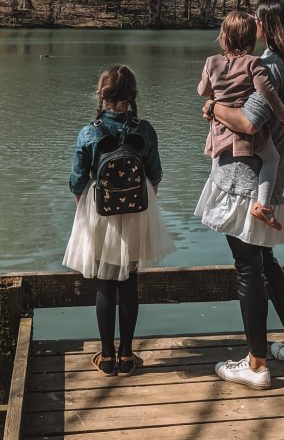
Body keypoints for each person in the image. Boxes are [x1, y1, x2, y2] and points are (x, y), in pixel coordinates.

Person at [194, 0, 284, 389]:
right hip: (266, 184)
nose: (251, 22)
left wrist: (213, 108)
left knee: (248, 269)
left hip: (243, 185)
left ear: (266, 26)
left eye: (256, 18)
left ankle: (256, 364)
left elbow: (248, 122)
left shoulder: (267, 67)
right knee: (266, 266)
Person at [63, 64, 175, 377]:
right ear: (133, 95)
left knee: (105, 281)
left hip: (101, 210)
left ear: (101, 94)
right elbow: (155, 175)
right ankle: (127, 355)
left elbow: (76, 181)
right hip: (138, 209)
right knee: (130, 281)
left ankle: (107, 356)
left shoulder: (89, 131)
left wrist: (83, 208)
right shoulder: (146, 128)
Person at [198, 10, 284, 230]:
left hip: (221, 129)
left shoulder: (211, 62)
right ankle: (262, 205)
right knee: (272, 158)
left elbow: (202, 90)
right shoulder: (254, 63)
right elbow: (267, 91)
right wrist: (283, 114)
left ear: (223, 37)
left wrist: (212, 101)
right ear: (251, 40)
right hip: (246, 136)